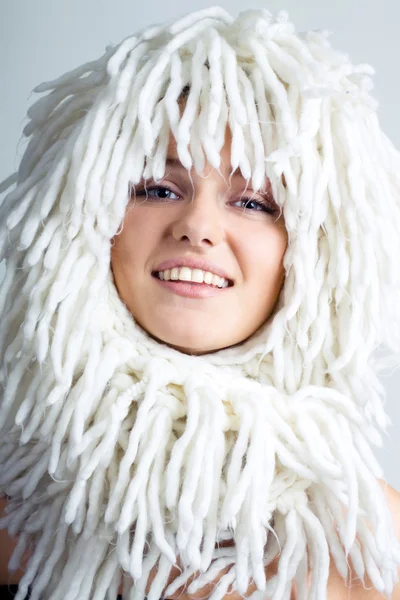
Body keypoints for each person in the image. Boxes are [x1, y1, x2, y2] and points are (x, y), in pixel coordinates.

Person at [0, 5, 400, 600]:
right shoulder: (15, 523)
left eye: (255, 203)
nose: (198, 226)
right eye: (158, 189)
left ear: (319, 255)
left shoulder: (369, 549)